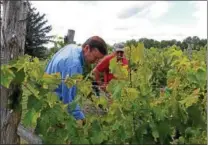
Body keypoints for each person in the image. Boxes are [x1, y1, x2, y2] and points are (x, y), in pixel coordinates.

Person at [45, 36, 108, 121]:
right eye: (96, 58)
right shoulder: (74, 64)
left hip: (46, 99)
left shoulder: (71, 47)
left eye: (99, 59)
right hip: (54, 107)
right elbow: (70, 102)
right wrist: (82, 120)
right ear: (87, 48)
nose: (96, 62)